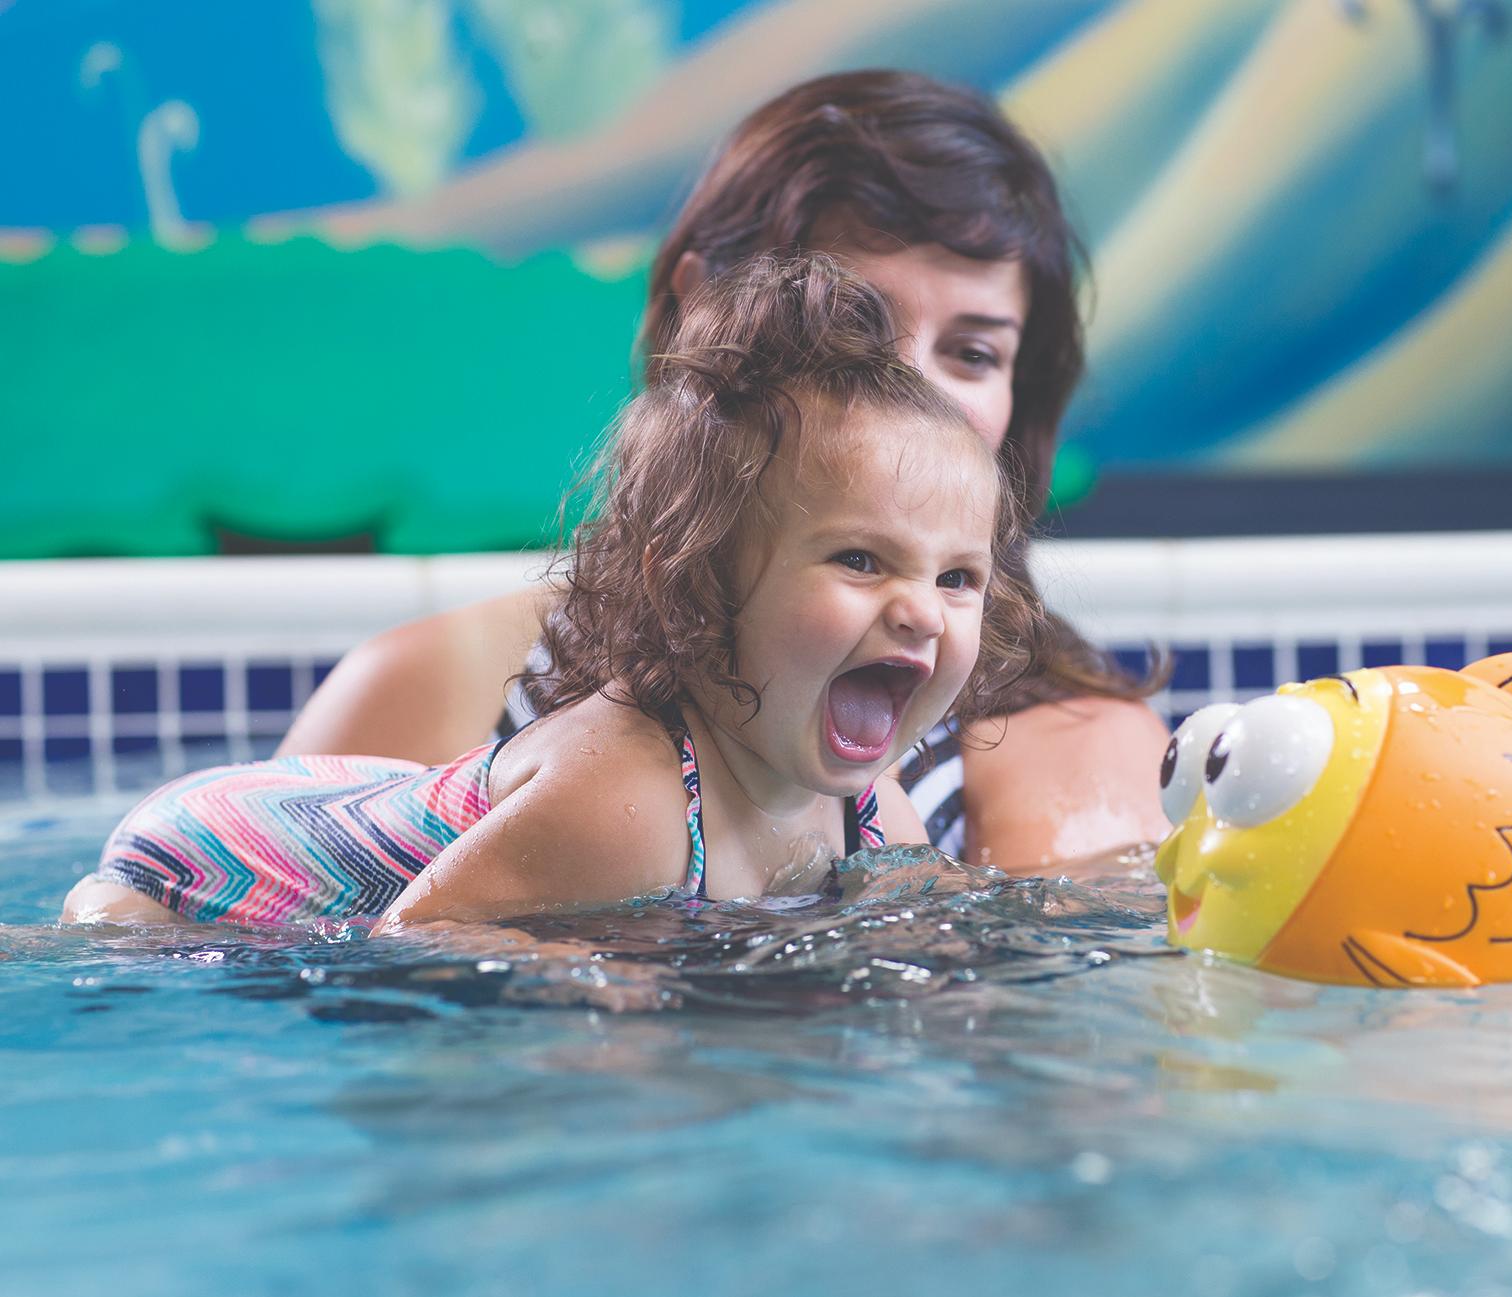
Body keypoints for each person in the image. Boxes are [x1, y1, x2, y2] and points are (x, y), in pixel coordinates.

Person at [278, 70, 1172, 870]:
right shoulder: (434, 692)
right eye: (854, 325)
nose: (914, 391)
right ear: (699, 317)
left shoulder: (1070, 740)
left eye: (973, 353)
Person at [65, 254, 1041, 928]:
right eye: (861, 562)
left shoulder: (868, 805)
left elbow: (937, 932)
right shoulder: (630, 793)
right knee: (109, 938)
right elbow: (418, 939)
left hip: (359, 815)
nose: (922, 609)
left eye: (958, 577)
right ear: (700, 582)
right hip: (212, 861)